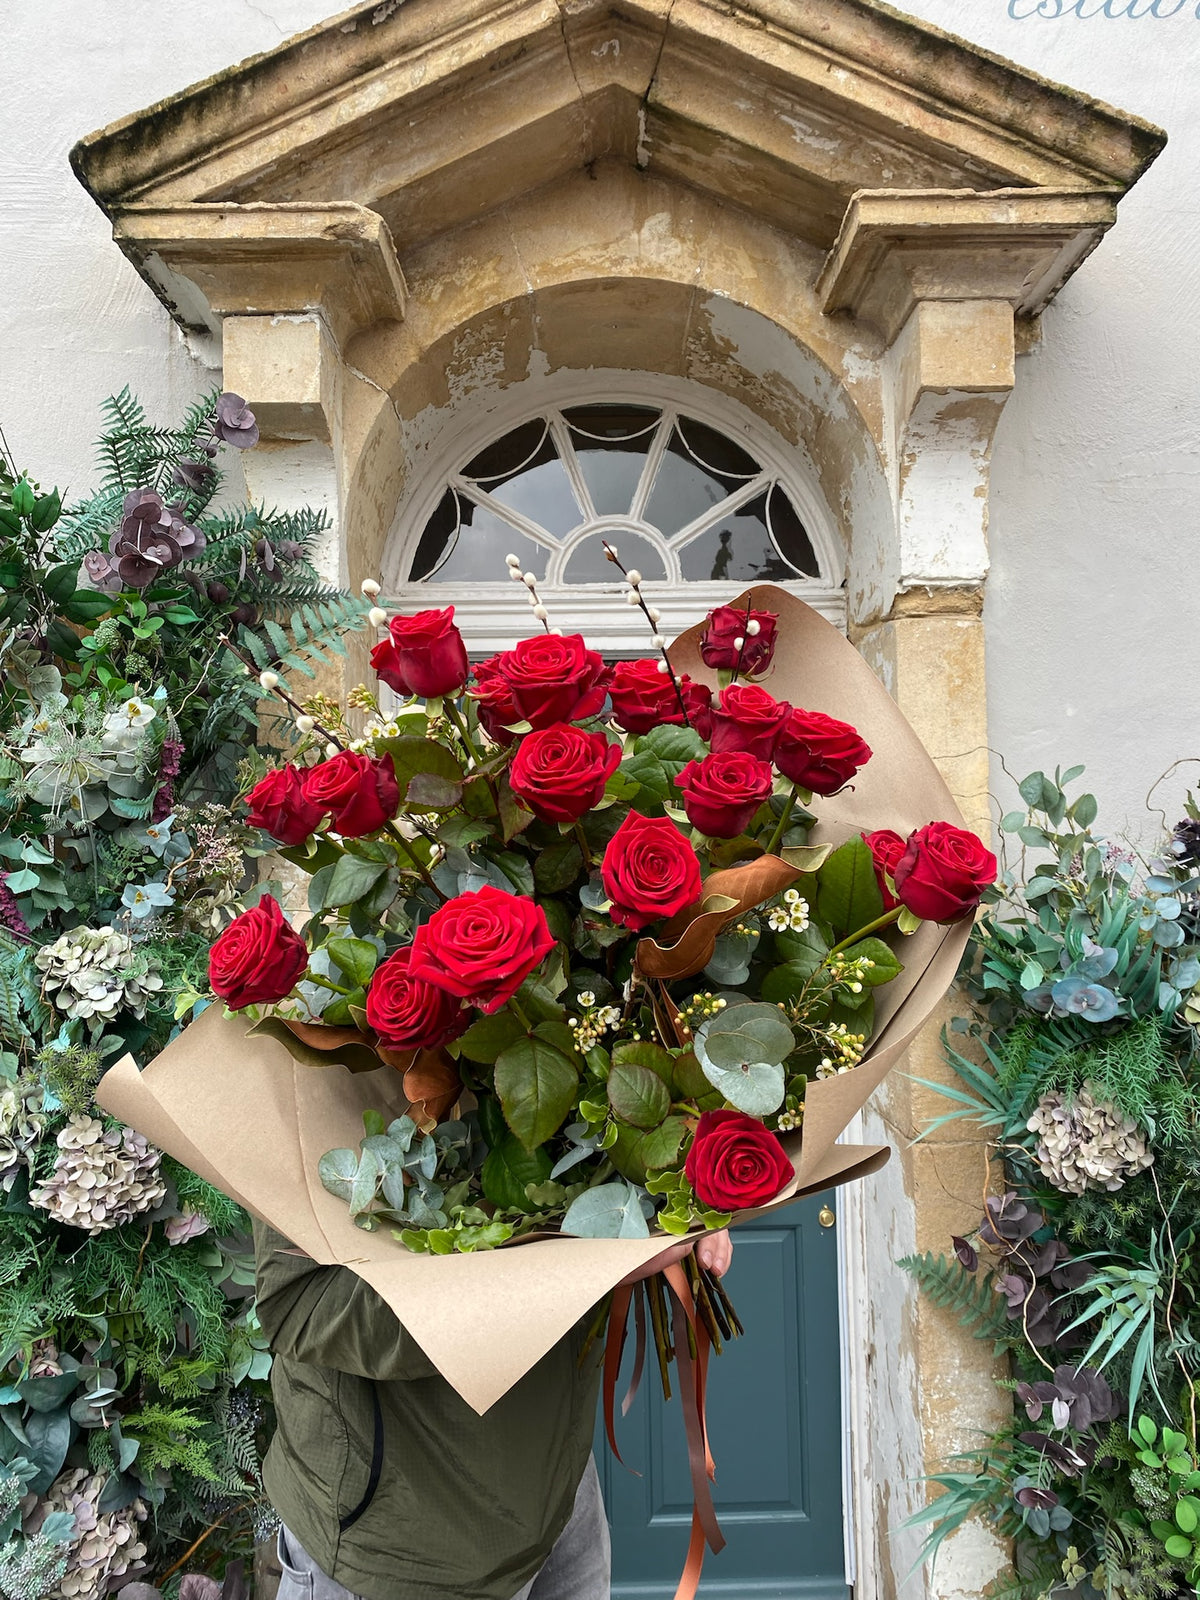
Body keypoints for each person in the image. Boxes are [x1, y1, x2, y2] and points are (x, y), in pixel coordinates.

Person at [253, 1222, 734, 1600]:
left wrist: (683, 1198)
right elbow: (303, 1304)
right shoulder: (307, 1097)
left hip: (559, 1487)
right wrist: (569, 1274)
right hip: (402, 1535)